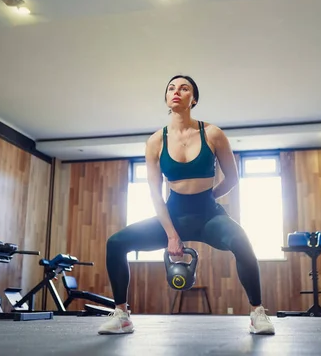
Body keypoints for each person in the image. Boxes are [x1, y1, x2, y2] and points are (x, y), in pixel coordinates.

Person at [97, 75, 275, 336]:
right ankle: (122, 315)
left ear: (195, 99)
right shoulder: (156, 141)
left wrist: (210, 197)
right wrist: (171, 235)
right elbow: (155, 194)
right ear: (167, 99)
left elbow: (233, 178)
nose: (176, 91)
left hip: (208, 216)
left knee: (242, 242)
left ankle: (257, 313)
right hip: (172, 216)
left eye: (184, 88)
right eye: (171, 88)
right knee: (116, 243)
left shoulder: (212, 133)